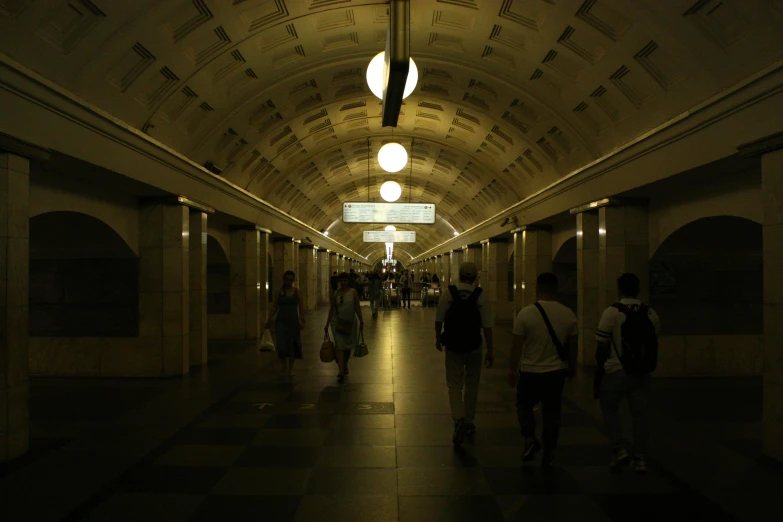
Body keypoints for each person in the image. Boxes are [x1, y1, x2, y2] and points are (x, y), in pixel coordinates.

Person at [508, 273, 578, 468]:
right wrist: (572, 366)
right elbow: (573, 344)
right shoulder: (568, 313)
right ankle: (549, 450)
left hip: (530, 370)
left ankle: (530, 438)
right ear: (556, 289)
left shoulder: (526, 313)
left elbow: (516, 346)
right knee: (552, 411)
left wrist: (512, 370)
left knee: (524, 405)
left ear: (537, 288)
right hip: (556, 372)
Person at [595, 273, 660, 473]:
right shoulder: (651, 313)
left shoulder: (612, 312)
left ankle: (618, 447)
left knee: (609, 408)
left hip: (616, 370)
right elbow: (654, 341)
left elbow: (601, 343)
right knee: (640, 415)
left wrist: (599, 371)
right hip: (641, 372)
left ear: (619, 289)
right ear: (638, 289)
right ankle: (640, 458)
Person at [435, 262, 494, 446]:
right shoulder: (480, 295)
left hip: (453, 345)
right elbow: (487, 325)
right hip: (474, 345)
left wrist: (438, 338)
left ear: (459, 275)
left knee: (454, 385)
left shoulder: (449, 293)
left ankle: (458, 419)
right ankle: (469, 420)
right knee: (472, 384)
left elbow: (439, 318)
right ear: (475, 277)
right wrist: (490, 349)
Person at [325, 272, 364, 383]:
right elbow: (332, 309)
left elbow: (357, 307)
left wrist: (361, 321)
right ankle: (341, 371)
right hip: (336, 323)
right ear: (339, 282)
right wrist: (327, 323)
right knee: (339, 346)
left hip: (350, 323)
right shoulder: (336, 293)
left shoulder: (353, 292)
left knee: (347, 347)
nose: (343, 282)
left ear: (348, 281)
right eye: (341, 280)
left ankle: (345, 364)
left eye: (345, 280)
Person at [265, 270, 305, 376]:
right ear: (284, 279)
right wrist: (269, 319)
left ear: (293, 280)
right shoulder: (279, 292)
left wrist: (302, 320)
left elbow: (301, 306)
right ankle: (283, 364)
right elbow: (274, 306)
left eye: (290, 280)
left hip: (293, 321)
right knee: (281, 344)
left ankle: (291, 368)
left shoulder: (297, 292)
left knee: (292, 345)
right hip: (281, 321)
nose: (288, 281)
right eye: (287, 279)